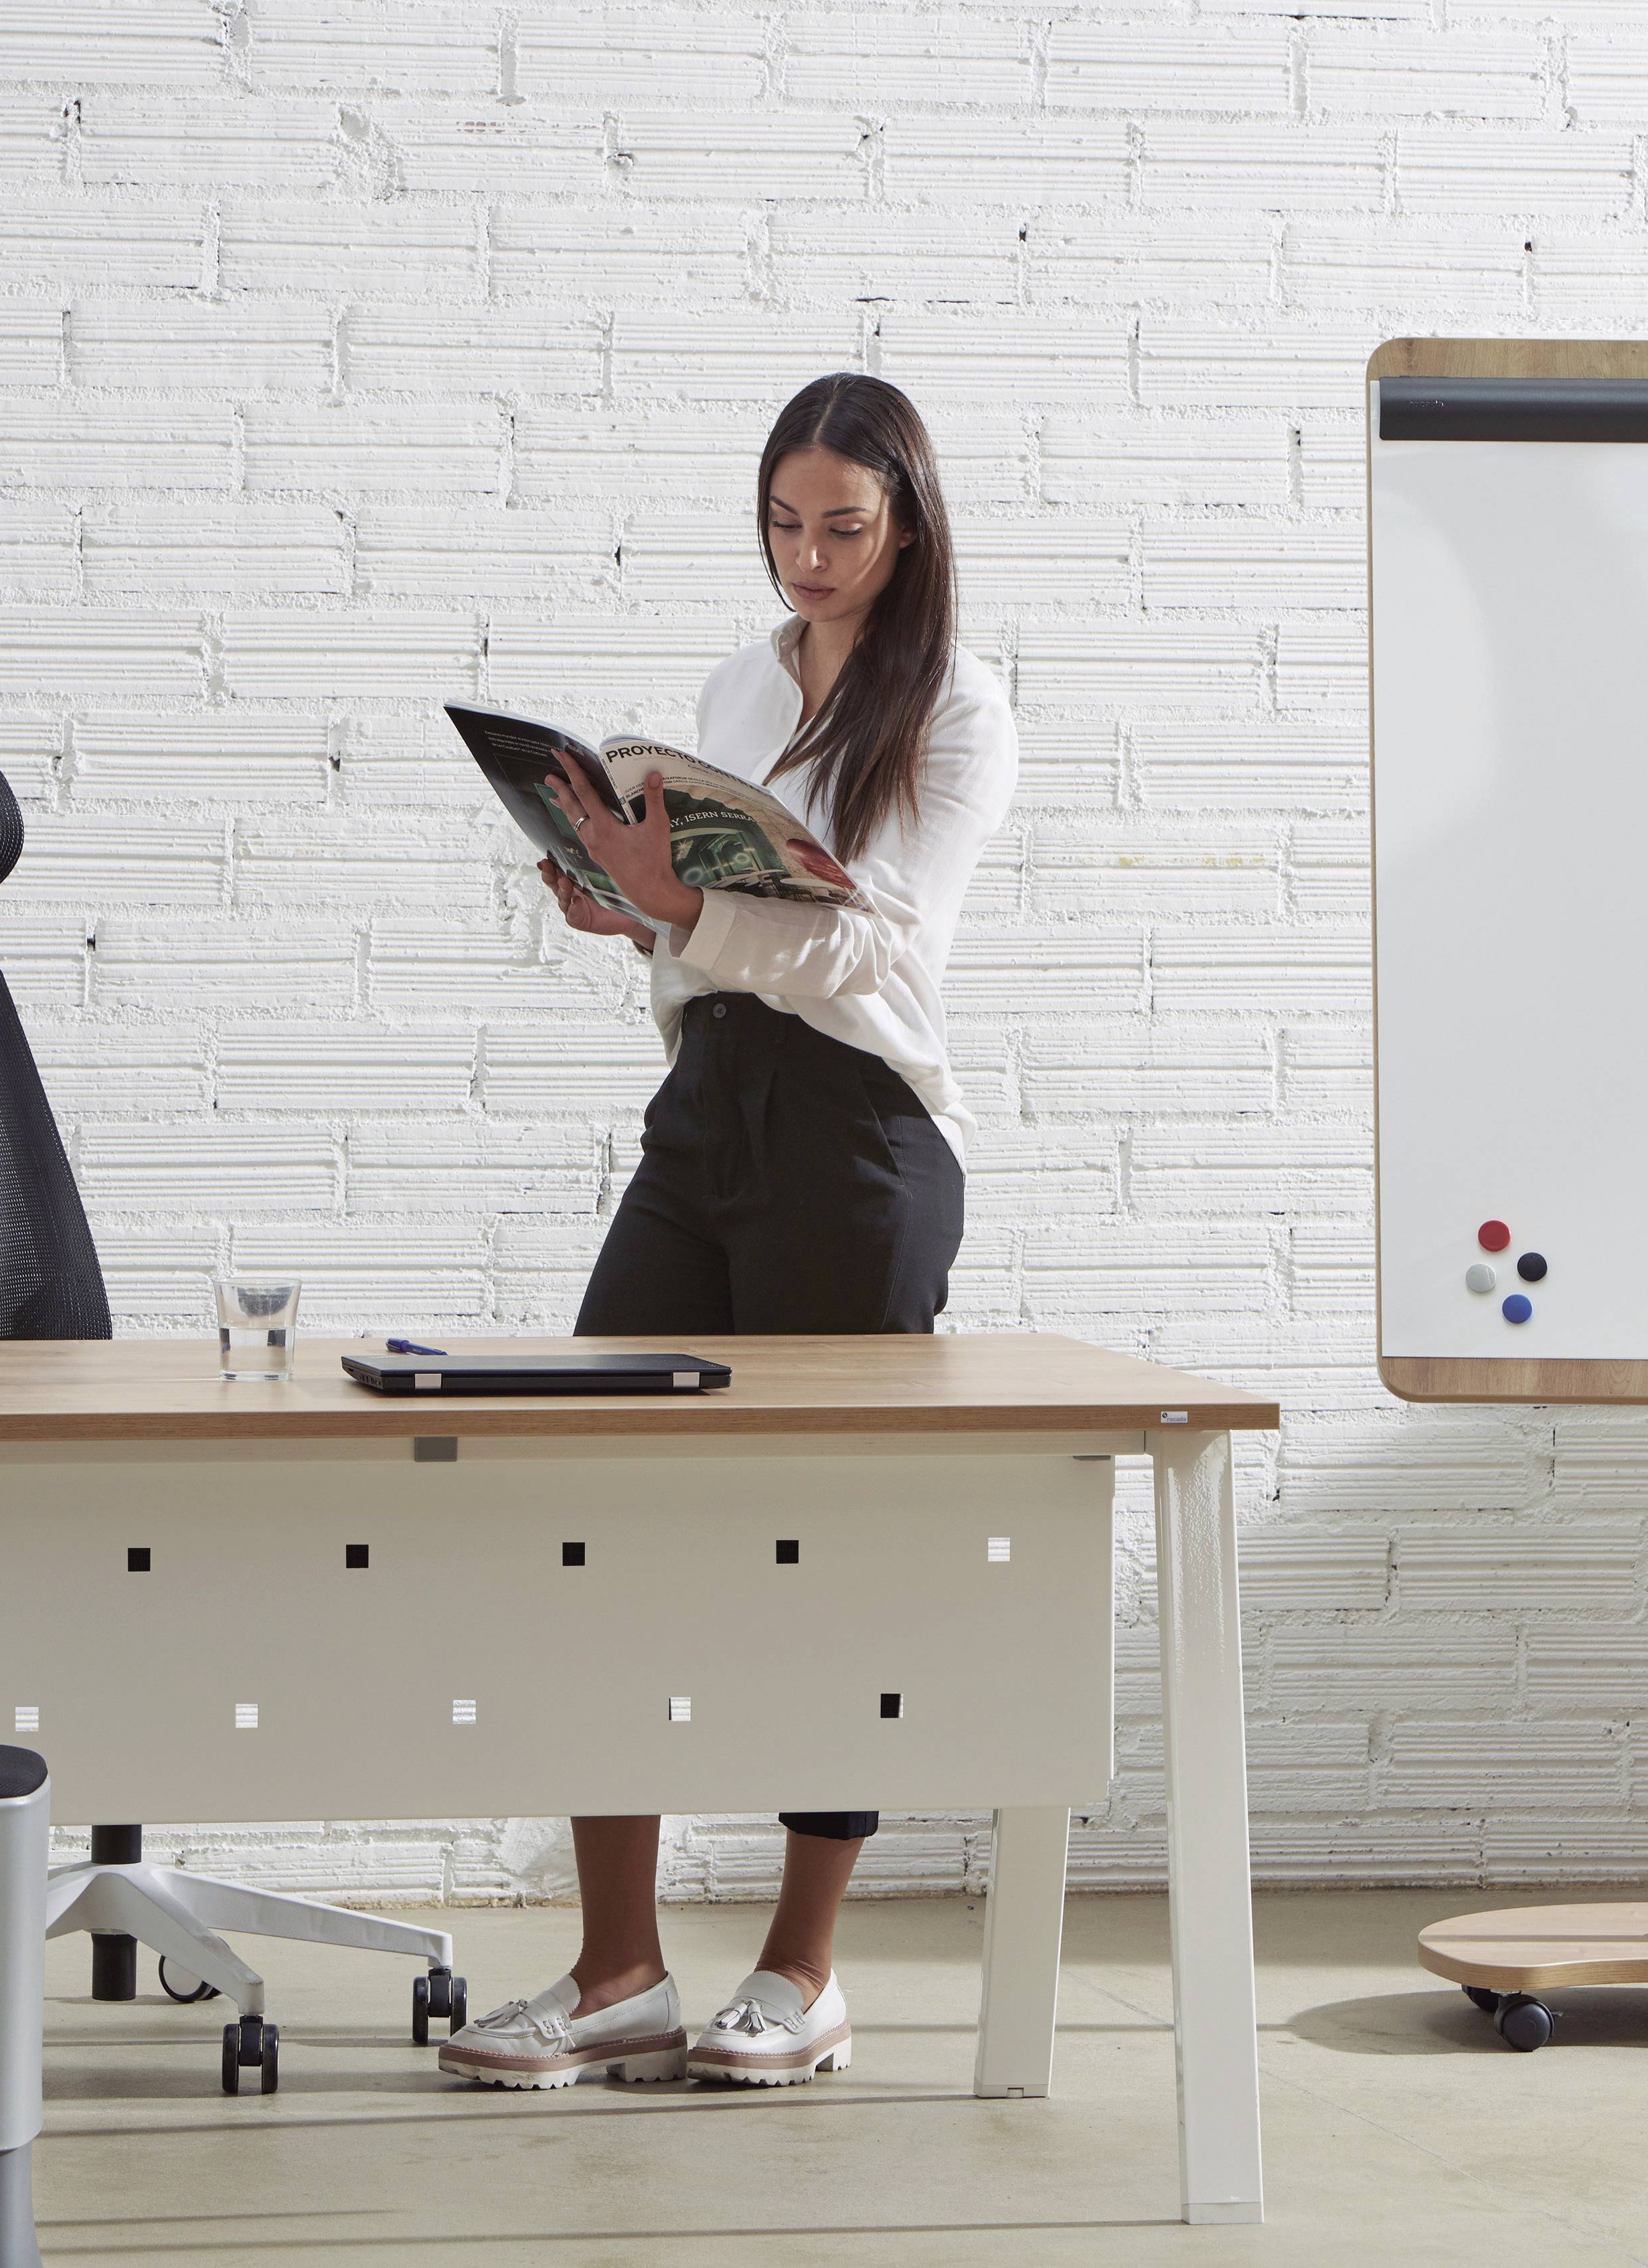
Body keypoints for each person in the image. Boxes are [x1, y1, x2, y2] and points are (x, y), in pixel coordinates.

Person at [437, 372, 1017, 2092]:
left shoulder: (957, 708)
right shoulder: (738, 684)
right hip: (707, 1120)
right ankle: (620, 1970)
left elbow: (885, 954)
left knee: (821, 1549)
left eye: (843, 526)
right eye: (784, 522)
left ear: (907, 523)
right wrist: (630, 908)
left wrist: (698, 904)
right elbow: (713, 937)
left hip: (858, 1140)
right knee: (591, 1515)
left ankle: (803, 1971)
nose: (809, 557)